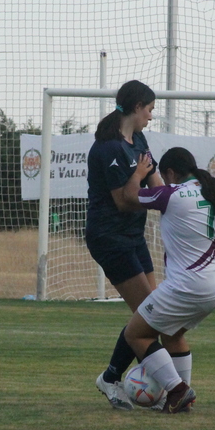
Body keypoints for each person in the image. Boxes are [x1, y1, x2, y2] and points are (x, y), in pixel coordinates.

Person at [119, 147, 215, 413]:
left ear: (170, 173)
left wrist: (138, 174)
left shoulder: (172, 194)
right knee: (173, 334)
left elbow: (127, 197)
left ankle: (178, 390)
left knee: (135, 334)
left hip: (188, 286)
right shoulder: (211, 192)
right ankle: (183, 400)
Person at [86, 80, 164, 410]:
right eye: (149, 110)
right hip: (109, 237)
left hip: (133, 236)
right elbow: (125, 200)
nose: (151, 116)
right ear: (136, 108)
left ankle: (137, 379)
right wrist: (149, 189)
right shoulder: (109, 148)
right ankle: (117, 378)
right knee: (150, 314)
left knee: (155, 313)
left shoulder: (139, 139)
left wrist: (174, 200)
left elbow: (156, 184)